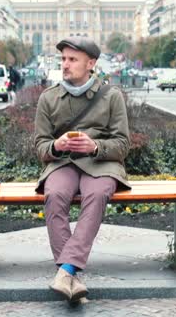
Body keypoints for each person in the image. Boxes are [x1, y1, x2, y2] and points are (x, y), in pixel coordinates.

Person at [34, 36, 130, 303]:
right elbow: (40, 146)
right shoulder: (49, 97)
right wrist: (56, 144)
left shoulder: (111, 96)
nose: (65, 65)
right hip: (63, 162)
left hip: (101, 164)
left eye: (72, 59)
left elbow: (123, 144)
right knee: (54, 196)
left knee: (96, 196)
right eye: (63, 59)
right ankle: (71, 278)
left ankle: (65, 270)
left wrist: (95, 146)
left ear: (91, 63)